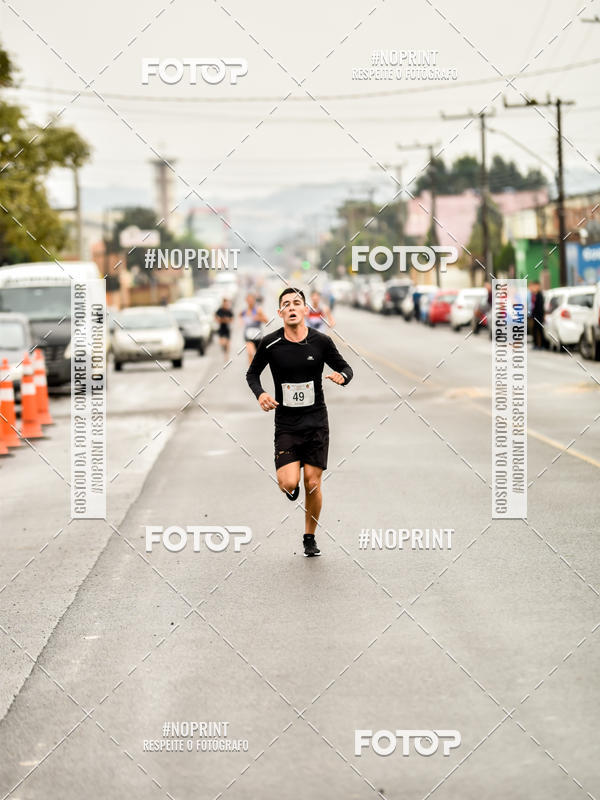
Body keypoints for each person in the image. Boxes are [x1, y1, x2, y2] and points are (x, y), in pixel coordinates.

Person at [246, 287, 353, 557]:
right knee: (289, 483)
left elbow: (346, 368)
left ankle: (309, 537)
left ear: (305, 309)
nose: (292, 307)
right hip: (287, 424)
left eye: (296, 303)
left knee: (312, 483)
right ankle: (291, 484)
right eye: (286, 304)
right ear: (279, 312)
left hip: (316, 420)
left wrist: (342, 377)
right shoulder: (270, 343)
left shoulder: (321, 342)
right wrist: (261, 394)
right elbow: (252, 374)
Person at [240, 293, 268, 364]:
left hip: (257, 335)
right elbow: (240, 317)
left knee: (258, 356)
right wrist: (241, 321)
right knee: (250, 353)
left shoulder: (258, 310)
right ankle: (251, 369)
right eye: (248, 300)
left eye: (251, 300)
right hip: (248, 335)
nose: (250, 302)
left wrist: (258, 318)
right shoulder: (244, 311)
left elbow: (266, 320)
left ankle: (256, 368)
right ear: (246, 301)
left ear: (254, 300)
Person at [530, 280, 545, 349]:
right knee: (535, 330)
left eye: (535, 286)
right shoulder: (534, 295)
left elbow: (540, 307)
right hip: (535, 316)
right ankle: (536, 344)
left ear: (538, 286)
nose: (533, 288)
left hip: (539, 316)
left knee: (539, 330)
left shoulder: (540, 295)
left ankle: (541, 345)